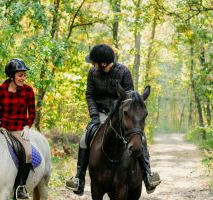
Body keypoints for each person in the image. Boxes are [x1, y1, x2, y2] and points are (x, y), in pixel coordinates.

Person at [65, 44, 160, 195]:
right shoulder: (93, 73)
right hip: (101, 113)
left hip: (120, 114)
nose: (93, 65)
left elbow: (129, 98)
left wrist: (118, 113)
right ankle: (79, 179)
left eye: (94, 62)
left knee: (139, 138)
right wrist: (94, 116)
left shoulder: (124, 72)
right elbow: (90, 95)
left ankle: (148, 175)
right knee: (84, 139)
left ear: (103, 63)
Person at [0, 58, 35, 199]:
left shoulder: (28, 91)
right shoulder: (0, 90)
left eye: (24, 75)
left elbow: (32, 112)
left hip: (18, 129)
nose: (23, 78)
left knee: (28, 154)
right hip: (2, 129)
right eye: (20, 75)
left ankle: (21, 187)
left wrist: (27, 126)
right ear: (12, 76)